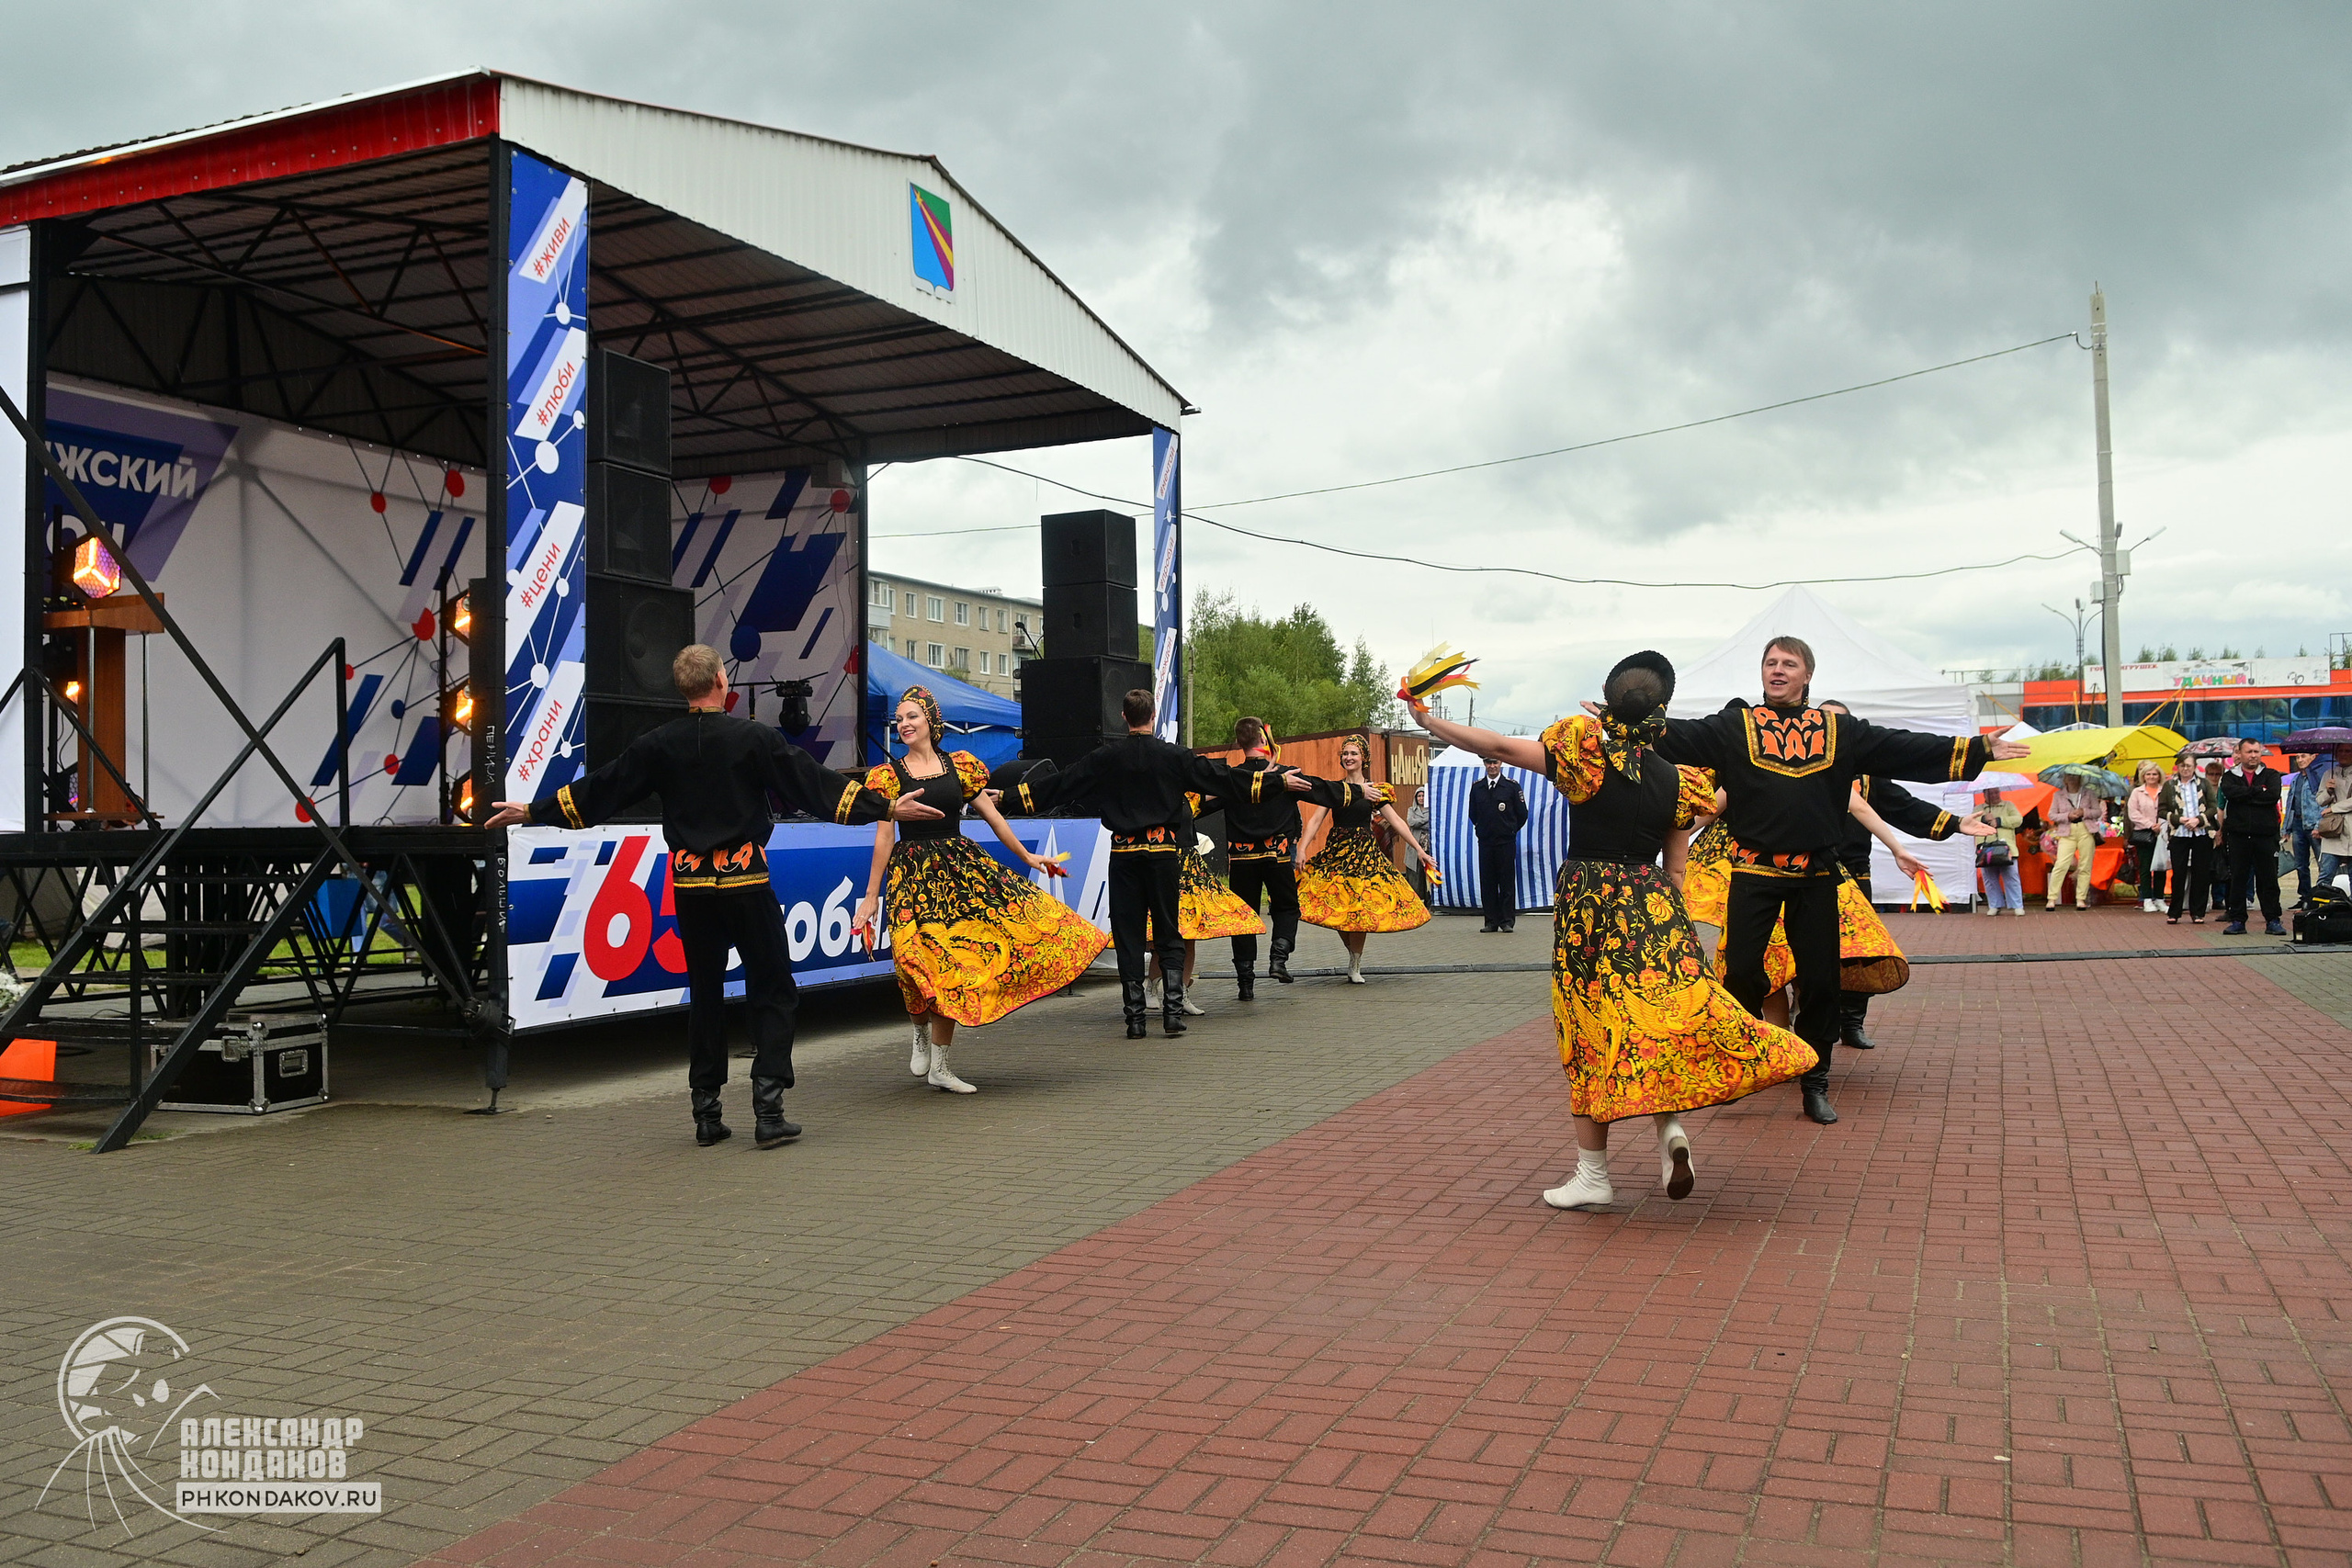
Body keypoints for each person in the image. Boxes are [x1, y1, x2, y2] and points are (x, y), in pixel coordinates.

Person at [484, 645, 945, 1149]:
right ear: (722, 683)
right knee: (772, 989)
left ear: (683, 688)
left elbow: (603, 788)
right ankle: (768, 1111)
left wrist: (533, 811)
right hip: (745, 882)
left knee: (705, 994)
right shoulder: (752, 738)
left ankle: (706, 1114)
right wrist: (886, 809)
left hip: (691, 889)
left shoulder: (659, 743)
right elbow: (814, 784)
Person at [1407, 651, 1815, 1209]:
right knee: (1652, 1022)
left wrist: (1429, 721)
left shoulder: (1584, 756)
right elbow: (1677, 867)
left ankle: (1593, 1174)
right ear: (1662, 712)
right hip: (1654, 904)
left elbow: (1498, 746)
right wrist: (1679, 926)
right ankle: (1669, 1131)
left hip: (1590, 905)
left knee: (1587, 1030)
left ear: (1607, 703)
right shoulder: (1675, 778)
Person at [1643, 635, 2023, 1124]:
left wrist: (1976, 749)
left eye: (1789, 663)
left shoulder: (1837, 730)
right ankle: (1744, 1062)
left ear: (1807, 676)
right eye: (1770, 662)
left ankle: (1815, 1081)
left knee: (1821, 981)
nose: (1777, 670)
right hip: (1754, 873)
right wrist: (1620, 719)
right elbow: (1679, 735)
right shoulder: (1736, 726)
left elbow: (1899, 748)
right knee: (1739, 973)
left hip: (1817, 875)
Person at [1010, 690, 1320, 1036]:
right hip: (1163, 854)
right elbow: (1222, 778)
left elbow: (1062, 782)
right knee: (1168, 930)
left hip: (1124, 855)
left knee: (1129, 934)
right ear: (1153, 716)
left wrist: (1006, 798)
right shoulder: (1174, 756)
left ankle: (1135, 1019)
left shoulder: (1107, 757)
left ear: (1124, 717)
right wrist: (1277, 779)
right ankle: (1172, 1013)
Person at [853, 687, 1109, 1095]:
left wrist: (1027, 856)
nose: (904, 724)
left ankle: (941, 1065)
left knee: (952, 968)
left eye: (912, 716)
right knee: (910, 962)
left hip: (957, 872)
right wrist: (871, 896)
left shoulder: (960, 766)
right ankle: (919, 1030)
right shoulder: (888, 776)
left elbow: (994, 817)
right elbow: (884, 838)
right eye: (899, 719)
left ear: (931, 721)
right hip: (912, 876)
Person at [1815, 700, 1995, 1052]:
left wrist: (1956, 823)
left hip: (1854, 877)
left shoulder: (1866, 775)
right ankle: (1810, 1022)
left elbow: (1904, 806)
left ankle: (1852, 1021)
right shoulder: (1794, 770)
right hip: (1806, 874)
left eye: (1838, 723)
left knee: (1862, 952)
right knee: (1805, 951)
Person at [1295, 733, 1437, 983]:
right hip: (1337, 854)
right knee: (1336, 906)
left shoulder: (1373, 790)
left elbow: (1397, 821)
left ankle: (1355, 962)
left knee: (1360, 909)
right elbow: (1316, 820)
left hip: (1364, 856)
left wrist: (1420, 850)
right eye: (1345, 753)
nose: (1349, 757)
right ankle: (1353, 953)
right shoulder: (1335, 789)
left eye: (1354, 753)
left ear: (1364, 758)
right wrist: (1302, 848)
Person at [1219, 716, 1337, 996]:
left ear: (1238, 742)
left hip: (1242, 860)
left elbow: (1201, 804)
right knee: (1286, 907)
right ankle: (1278, 958)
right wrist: (1357, 791)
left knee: (1245, 916)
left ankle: (1245, 982)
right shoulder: (1286, 776)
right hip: (1278, 856)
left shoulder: (1232, 779)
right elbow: (1320, 789)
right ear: (1263, 739)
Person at [1144, 794, 1265, 1015]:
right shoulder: (1155, 797)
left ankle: (1182, 994)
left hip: (1190, 874)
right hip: (1163, 867)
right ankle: (1151, 987)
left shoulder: (1189, 798)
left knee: (1189, 936)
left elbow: (1218, 790)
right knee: (1166, 937)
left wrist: (1248, 782)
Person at [2218, 738, 2284, 935]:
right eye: (2249, 752)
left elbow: (2272, 796)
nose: (2253, 755)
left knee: (2268, 879)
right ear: (2240, 754)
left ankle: (2273, 920)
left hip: (2266, 836)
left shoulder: (2272, 775)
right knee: (2238, 878)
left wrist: (2245, 795)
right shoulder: (2229, 776)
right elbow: (2230, 793)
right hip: (2238, 836)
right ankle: (2238, 920)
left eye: (2256, 751)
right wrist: (2257, 792)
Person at [1469, 757, 1530, 932]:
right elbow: (1473, 814)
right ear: (1484, 764)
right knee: (1488, 882)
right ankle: (1491, 921)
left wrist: (1510, 829)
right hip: (1486, 842)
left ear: (1501, 763)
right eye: (1489, 763)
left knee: (1506, 882)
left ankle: (1507, 921)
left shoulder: (1511, 786)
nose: (1492, 766)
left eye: (1495, 763)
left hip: (1505, 842)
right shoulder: (1477, 787)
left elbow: (1522, 814)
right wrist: (1483, 829)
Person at [2158, 759, 2219, 924]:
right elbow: (2162, 810)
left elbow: (2213, 807)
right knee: (2179, 873)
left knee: (2201, 874)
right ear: (2178, 767)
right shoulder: (2169, 785)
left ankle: (2198, 912)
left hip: (2201, 833)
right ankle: (2175, 911)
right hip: (2179, 834)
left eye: (2189, 766)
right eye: (2182, 766)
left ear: (2194, 767)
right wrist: (2179, 819)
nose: (2185, 769)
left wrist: (2198, 820)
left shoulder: (2204, 783)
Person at [2045, 778, 2107, 910]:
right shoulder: (2058, 795)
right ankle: (2052, 898)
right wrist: (2068, 815)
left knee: (2085, 865)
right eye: (2070, 776)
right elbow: (2052, 815)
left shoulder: (2089, 793)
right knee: (2061, 864)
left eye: (2075, 776)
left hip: (2086, 830)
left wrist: (2084, 812)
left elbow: (2097, 812)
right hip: (2067, 832)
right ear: (2065, 780)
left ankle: (2081, 898)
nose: (2073, 779)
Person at [2284, 751, 2327, 903]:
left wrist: (2319, 825)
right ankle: (2305, 897)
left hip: (2314, 825)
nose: (2300, 760)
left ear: (2313, 757)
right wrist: (2286, 828)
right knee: (2300, 864)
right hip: (2298, 824)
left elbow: (2323, 803)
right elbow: (2290, 804)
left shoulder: (2318, 777)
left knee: (2322, 863)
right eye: (2297, 757)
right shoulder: (2296, 779)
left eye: (2303, 756)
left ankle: (2323, 895)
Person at [1975, 787, 2025, 914]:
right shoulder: (1978, 809)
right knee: (1989, 878)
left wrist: (1999, 821)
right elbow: (1971, 823)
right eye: (1991, 793)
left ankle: (2017, 905)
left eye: (1996, 792)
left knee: (2011, 876)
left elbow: (2018, 820)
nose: (1994, 795)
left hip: (2007, 848)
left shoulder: (2009, 805)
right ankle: (1994, 905)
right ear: (1984, 794)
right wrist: (1983, 819)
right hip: (1986, 849)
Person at [2125, 761, 2166, 912]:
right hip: (2144, 833)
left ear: (2159, 776)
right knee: (2145, 867)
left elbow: (2170, 808)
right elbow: (2133, 813)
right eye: (2148, 774)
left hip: (2162, 833)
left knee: (2161, 867)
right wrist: (2150, 824)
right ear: (2143, 776)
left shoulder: (2165, 791)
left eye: (2154, 774)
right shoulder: (2137, 792)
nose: (2151, 777)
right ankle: (2147, 899)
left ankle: (2160, 899)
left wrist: (2160, 825)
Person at [2313, 753, 2352, 891]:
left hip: (2350, 829)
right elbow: (2320, 800)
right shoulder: (2329, 773)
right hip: (2333, 830)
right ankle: (2319, 901)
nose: (2344, 754)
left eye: (2348, 750)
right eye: (2341, 750)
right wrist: (2328, 791)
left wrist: (2333, 808)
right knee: (2325, 876)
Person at [1404, 785, 1433, 902]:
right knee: (1415, 876)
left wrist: (1419, 822)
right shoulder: (1411, 810)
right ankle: (1416, 901)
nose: (1421, 798)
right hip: (1414, 849)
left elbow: (1431, 824)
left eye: (1423, 796)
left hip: (1428, 848)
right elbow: (1411, 822)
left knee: (1429, 875)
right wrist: (1426, 819)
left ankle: (1429, 902)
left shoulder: (1432, 810)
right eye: (1419, 796)